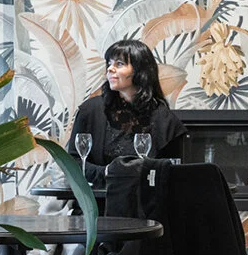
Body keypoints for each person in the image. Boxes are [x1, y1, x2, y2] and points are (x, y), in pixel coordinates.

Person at [68, 39, 187, 182]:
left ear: (140, 71)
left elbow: (172, 173)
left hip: (145, 196)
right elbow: (72, 163)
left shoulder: (165, 120)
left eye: (119, 64)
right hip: (98, 195)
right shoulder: (90, 110)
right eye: (109, 63)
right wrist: (107, 172)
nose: (110, 69)